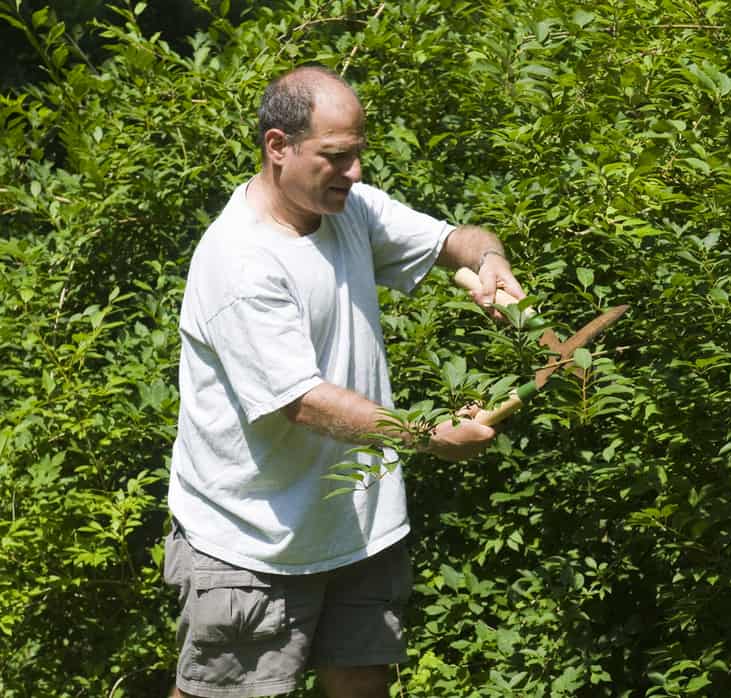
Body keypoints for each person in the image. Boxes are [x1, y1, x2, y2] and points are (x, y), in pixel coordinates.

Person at [164, 65, 525, 698]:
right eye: (336, 156)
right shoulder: (240, 261)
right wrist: (423, 435)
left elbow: (453, 240)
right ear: (278, 148)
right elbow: (302, 402)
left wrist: (490, 262)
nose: (354, 172)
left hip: (358, 528)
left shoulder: (348, 209)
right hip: (254, 544)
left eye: (358, 152)